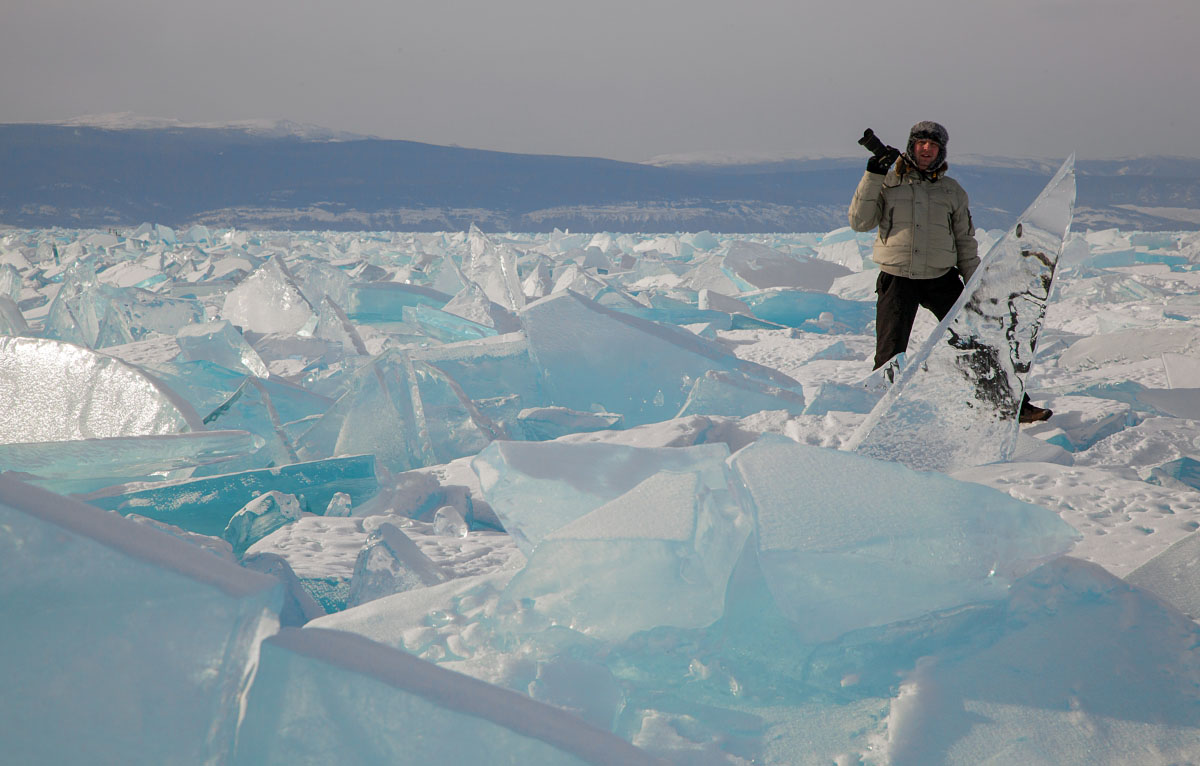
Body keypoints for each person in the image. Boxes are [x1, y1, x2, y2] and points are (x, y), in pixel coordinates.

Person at [848, 121, 1052, 423]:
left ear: (941, 151)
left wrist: (975, 285)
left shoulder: (951, 191)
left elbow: (964, 241)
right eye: (921, 143)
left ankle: (1014, 406)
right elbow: (859, 222)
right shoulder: (888, 182)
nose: (927, 149)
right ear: (911, 146)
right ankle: (881, 419)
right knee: (889, 355)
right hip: (897, 278)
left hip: (941, 278)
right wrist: (873, 174)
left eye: (933, 145)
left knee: (977, 342)